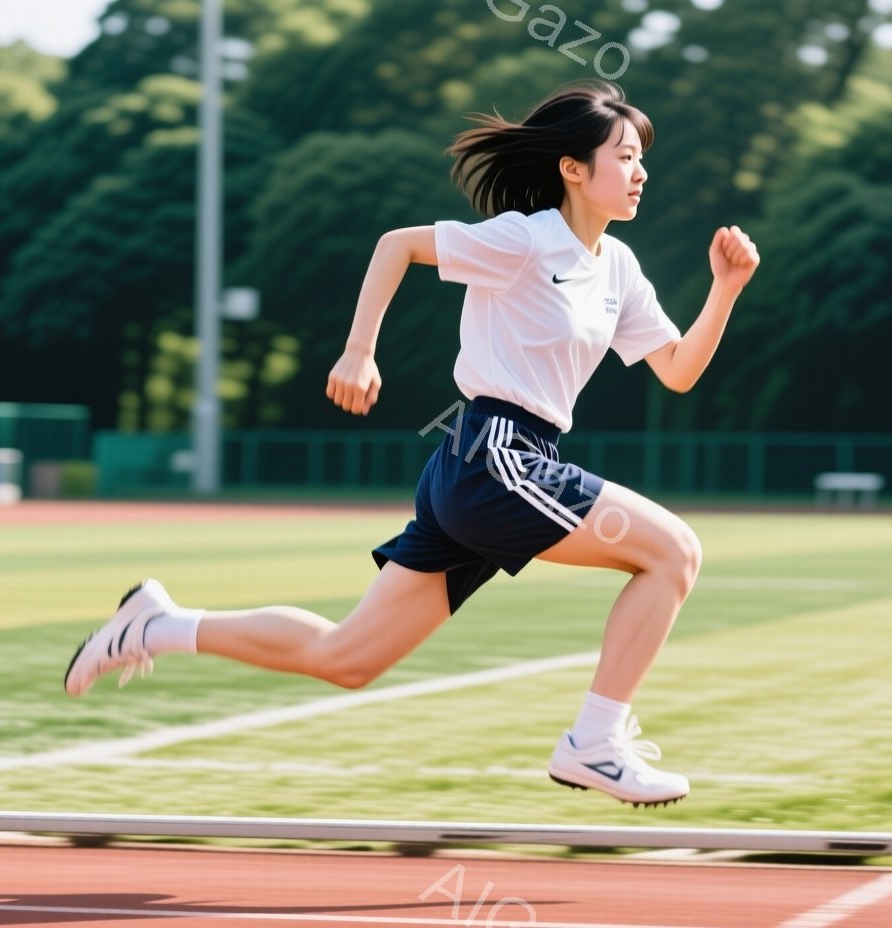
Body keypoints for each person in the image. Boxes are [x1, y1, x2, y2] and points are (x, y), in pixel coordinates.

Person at [64, 81, 759, 807]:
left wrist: (725, 289)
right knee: (673, 551)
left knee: (347, 658)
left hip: (502, 465)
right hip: (494, 456)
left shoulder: (616, 266)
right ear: (572, 169)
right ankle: (595, 741)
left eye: (643, 156)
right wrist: (359, 351)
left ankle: (158, 626)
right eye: (624, 155)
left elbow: (677, 371)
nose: (641, 169)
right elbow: (398, 245)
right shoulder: (526, 239)